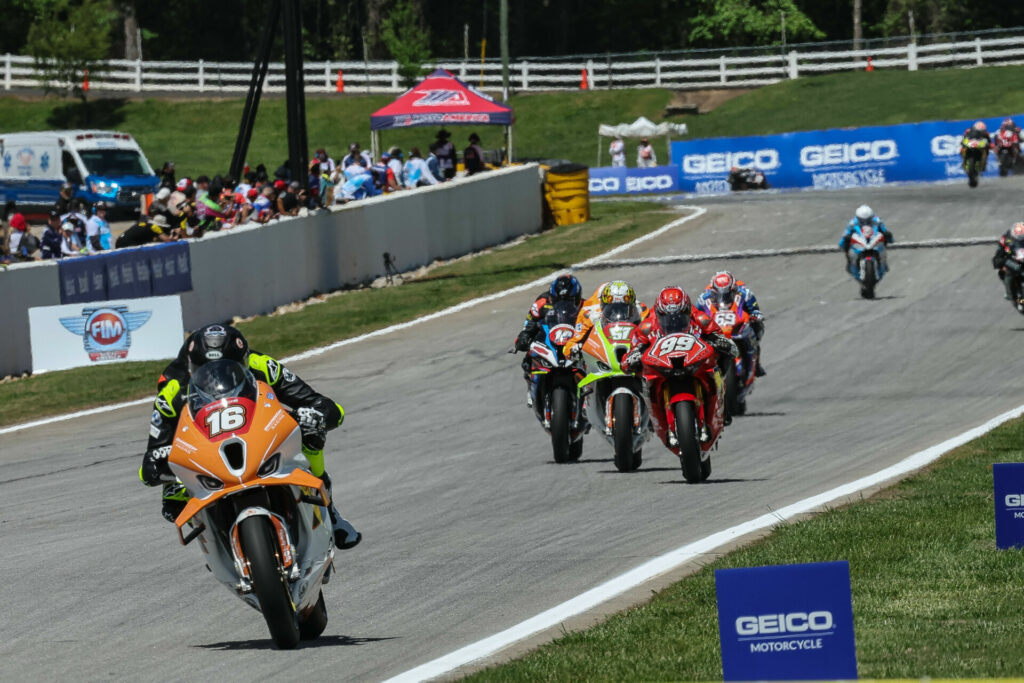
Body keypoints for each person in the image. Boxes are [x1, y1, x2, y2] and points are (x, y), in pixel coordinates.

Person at [138, 324, 361, 550]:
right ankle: (218, 545)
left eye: (230, 369)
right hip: (203, 454)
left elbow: (326, 406)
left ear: (244, 360)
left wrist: (317, 414)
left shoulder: (261, 365)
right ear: (191, 369)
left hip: (257, 438)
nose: (217, 379)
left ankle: (328, 510)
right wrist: (159, 461)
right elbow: (149, 464)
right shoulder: (173, 389)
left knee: (312, 430)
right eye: (207, 372)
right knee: (173, 500)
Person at [622, 285, 738, 433]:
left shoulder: (700, 318)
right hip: (662, 365)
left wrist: (721, 343)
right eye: (667, 319)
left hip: (694, 361)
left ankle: (721, 401)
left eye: (679, 317)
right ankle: (649, 412)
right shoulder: (647, 326)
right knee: (637, 373)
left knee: (723, 357)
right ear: (658, 314)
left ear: (688, 312)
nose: (674, 322)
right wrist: (633, 357)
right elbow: (627, 359)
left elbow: (724, 341)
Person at [513, 274, 583, 406]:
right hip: (547, 337)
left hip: (572, 340)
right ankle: (531, 384)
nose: (564, 304)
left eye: (570, 300)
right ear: (551, 297)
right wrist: (525, 335)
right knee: (528, 356)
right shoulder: (540, 304)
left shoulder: (584, 306)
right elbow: (529, 323)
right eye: (558, 300)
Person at [696, 271, 766, 377]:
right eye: (718, 293)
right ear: (713, 290)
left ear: (733, 289)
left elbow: (754, 309)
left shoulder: (745, 294)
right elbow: (695, 314)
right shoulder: (704, 298)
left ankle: (756, 363)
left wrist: (755, 315)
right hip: (717, 326)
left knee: (758, 327)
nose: (723, 296)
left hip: (738, 323)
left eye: (727, 294)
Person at [563, 280, 645, 359]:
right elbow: (570, 345)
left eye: (623, 306)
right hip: (599, 359)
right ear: (603, 303)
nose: (618, 310)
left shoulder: (641, 310)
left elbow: (654, 327)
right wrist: (574, 349)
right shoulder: (589, 314)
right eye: (612, 307)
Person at [838, 205, 894, 278]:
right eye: (862, 220)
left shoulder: (877, 221)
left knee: (885, 237)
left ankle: (883, 262)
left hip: (874, 240)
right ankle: (849, 262)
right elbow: (846, 234)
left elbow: (884, 230)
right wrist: (842, 244)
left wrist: (889, 237)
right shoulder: (852, 223)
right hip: (859, 242)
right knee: (846, 241)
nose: (865, 222)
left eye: (867, 220)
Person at [993, 221, 1024, 301]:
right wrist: (1004, 261)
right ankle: (1010, 292)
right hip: (1013, 262)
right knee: (1004, 273)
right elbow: (997, 258)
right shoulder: (1005, 240)